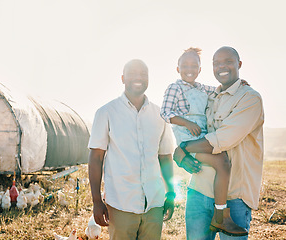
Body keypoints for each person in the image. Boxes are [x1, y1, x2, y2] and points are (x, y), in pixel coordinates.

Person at [173, 46, 264, 240]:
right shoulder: (210, 97)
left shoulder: (250, 98)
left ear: (239, 65)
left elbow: (222, 140)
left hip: (234, 197)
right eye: (216, 63)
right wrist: (183, 154)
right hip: (199, 190)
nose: (222, 67)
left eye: (228, 62)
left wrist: (182, 149)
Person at [160, 47, 247, 236]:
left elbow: (221, 90)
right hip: (187, 139)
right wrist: (187, 122)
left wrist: (240, 85)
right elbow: (165, 113)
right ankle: (221, 215)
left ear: (200, 70)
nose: (189, 69)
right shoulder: (174, 88)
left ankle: (219, 212)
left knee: (222, 164)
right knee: (222, 163)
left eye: (194, 66)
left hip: (201, 138)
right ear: (177, 68)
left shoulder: (203, 89)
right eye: (185, 66)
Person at [88, 59, 175, 240]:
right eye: (132, 74)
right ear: (122, 78)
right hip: (121, 204)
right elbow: (96, 158)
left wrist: (171, 194)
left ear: (149, 79)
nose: (138, 78)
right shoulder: (106, 112)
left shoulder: (160, 115)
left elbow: (165, 157)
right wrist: (97, 201)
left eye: (143, 74)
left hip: (154, 204)